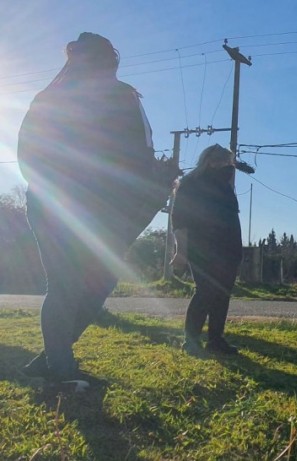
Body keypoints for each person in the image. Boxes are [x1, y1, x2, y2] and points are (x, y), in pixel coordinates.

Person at [17, 33, 177, 388]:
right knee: (66, 285)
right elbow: (29, 156)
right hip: (60, 206)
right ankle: (59, 369)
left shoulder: (119, 95)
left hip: (91, 209)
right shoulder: (53, 99)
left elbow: (138, 154)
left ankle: (52, 360)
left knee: (97, 282)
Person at [171, 144, 243, 355]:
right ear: (211, 162)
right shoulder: (190, 184)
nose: (230, 168)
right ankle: (191, 341)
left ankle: (216, 340)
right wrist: (180, 251)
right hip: (202, 249)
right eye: (226, 163)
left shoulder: (224, 186)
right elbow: (180, 221)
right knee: (205, 292)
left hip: (229, 249)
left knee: (222, 294)